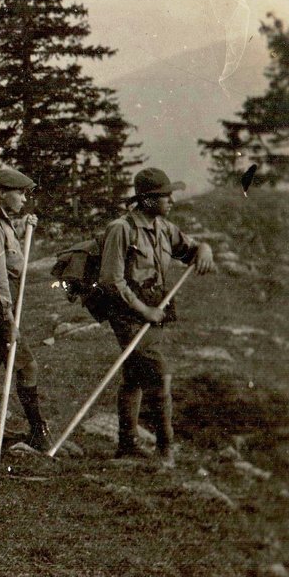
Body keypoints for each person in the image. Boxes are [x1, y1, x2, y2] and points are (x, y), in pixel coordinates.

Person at [98, 167, 214, 466]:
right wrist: (144, 310)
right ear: (147, 200)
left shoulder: (163, 227)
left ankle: (126, 445)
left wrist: (205, 248)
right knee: (158, 374)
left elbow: (190, 249)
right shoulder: (121, 229)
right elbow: (111, 281)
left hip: (152, 312)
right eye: (166, 196)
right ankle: (165, 448)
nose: (172, 201)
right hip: (128, 314)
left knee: (133, 377)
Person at [0, 167, 49, 451]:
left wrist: (24, 224)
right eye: (19, 194)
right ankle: (38, 432)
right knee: (27, 365)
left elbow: (13, 263)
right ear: (1, 194)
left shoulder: (0, 222)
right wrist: (7, 319)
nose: (24, 200)